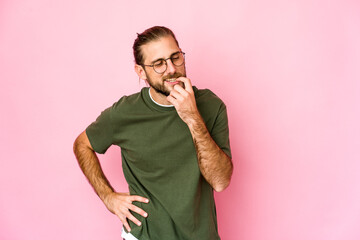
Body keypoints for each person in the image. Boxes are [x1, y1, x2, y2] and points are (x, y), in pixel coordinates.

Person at [73, 26, 233, 240]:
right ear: (141, 71)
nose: (171, 69)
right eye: (158, 64)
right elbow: (82, 144)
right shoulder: (125, 112)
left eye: (175, 57)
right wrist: (108, 197)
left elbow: (220, 182)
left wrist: (193, 117)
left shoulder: (211, 106)